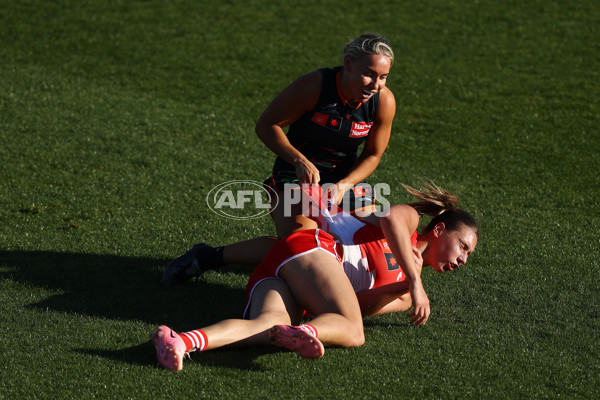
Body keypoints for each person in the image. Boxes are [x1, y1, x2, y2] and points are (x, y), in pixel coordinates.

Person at [153, 183, 479, 371]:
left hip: (288, 275)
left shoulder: (408, 295)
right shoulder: (408, 223)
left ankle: (180, 342)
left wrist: (402, 287)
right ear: (438, 230)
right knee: (355, 333)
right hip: (310, 248)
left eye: (467, 255)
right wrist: (415, 279)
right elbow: (391, 217)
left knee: (266, 328)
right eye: (463, 246)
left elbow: (356, 306)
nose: (463, 259)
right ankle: (303, 332)